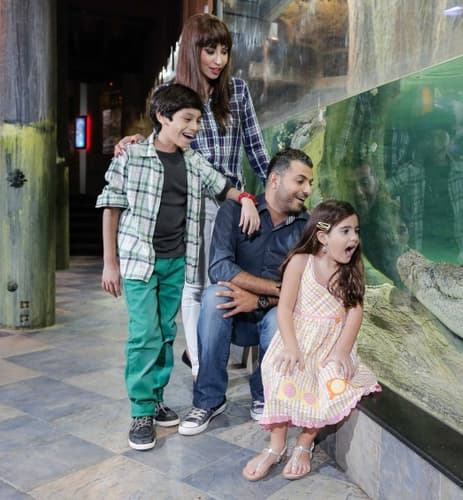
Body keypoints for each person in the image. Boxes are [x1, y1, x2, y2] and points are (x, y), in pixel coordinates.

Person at [97, 83, 260, 451]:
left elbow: (223, 187)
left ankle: (154, 398)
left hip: (176, 264)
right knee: (144, 334)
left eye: (199, 121)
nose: (195, 128)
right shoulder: (131, 156)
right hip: (140, 262)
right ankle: (140, 411)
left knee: (166, 335)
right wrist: (111, 264)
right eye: (188, 120)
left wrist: (247, 198)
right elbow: (111, 206)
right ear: (162, 117)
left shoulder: (193, 160)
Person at [116, 13, 269, 377]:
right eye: (210, 50)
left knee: (228, 280)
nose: (219, 60)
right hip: (190, 203)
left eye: (224, 51)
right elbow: (158, 141)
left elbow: (256, 149)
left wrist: (278, 189)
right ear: (192, 51)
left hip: (232, 201)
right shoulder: (170, 91)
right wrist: (132, 142)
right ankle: (203, 367)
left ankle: (212, 349)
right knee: (194, 285)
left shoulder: (239, 92)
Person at [178, 148, 314, 436]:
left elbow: (308, 288)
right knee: (214, 296)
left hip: (273, 315)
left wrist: (261, 298)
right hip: (234, 316)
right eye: (300, 181)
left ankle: (264, 394)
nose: (307, 190)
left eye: (310, 183)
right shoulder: (235, 210)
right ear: (275, 180)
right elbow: (220, 267)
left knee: (280, 316)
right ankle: (209, 401)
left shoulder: (308, 226)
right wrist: (276, 289)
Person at [242, 200, 381, 482]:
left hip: (332, 344)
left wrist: (342, 351)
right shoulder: (300, 263)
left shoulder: (351, 269)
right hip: (300, 337)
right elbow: (285, 308)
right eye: (345, 231)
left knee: (330, 384)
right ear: (322, 237)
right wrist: (291, 346)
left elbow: (355, 311)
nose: (354, 237)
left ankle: (305, 442)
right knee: (277, 370)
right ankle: (276, 445)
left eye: (356, 230)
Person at [387, 107, 463, 264]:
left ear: (450, 138)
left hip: (456, 254)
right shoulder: (411, 172)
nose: (435, 143)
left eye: (441, 137)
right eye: (430, 137)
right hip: (422, 254)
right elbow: (386, 189)